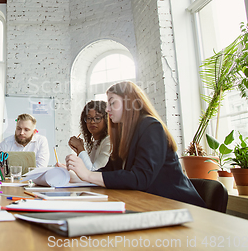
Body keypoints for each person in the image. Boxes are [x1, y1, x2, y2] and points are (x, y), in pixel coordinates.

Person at [65, 81, 206, 207]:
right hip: (151, 204)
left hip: (180, 206)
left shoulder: (151, 126)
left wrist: (88, 176)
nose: (107, 109)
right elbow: (109, 171)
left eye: (112, 103)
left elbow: (141, 178)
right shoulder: (124, 134)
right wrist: (79, 176)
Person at [66, 100, 110, 171]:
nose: (92, 122)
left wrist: (80, 148)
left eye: (97, 118)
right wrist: (78, 151)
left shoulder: (109, 142)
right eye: (89, 118)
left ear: (106, 120)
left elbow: (93, 172)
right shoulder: (96, 141)